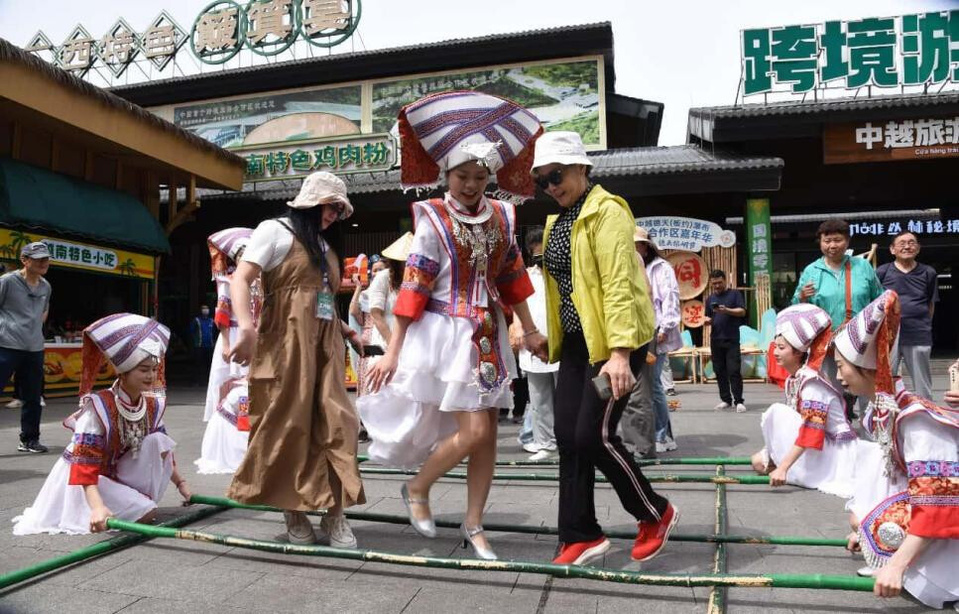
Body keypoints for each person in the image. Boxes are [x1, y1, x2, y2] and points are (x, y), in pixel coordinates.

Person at [360, 91, 546, 562]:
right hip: (446, 333)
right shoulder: (432, 217)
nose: (471, 185)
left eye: (480, 177)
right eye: (463, 176)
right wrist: (394, 350)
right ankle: (418, 487)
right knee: (475, 430)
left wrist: (529, 329)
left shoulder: (502, 215)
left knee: (487, 436)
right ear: (446, 174)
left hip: (488, 333)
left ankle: (474, 524)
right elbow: (414, 285)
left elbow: (512, 276)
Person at [535, 131, 678, 566]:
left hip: (615, 342)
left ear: (581, 167)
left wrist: (618, 353)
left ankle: (654, 512)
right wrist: (550, 336)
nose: (551, 186)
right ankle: (580, 534)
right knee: (567, 437)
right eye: (543, 180)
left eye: (557, 175)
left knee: (592, 436)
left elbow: (618, 283)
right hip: (577, 343)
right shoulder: (558, 221)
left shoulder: (607, 210)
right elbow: (565, 290)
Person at [228, 171, 366, 548]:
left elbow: (319, 298)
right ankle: (293, 510)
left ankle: (335, 513)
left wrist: (347, 330)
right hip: (284, 345)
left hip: (326, 346)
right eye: (329, 206)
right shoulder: (274, 231)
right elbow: (241, 279)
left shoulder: (324, 244)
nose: (334, 214)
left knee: (340, 422)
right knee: (288, 425)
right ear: (309, 202)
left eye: (339, 209)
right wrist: (245, 327)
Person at [13, 313, 191, 535]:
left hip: (112, 472)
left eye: (154, 369)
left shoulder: (151, 405)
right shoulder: (99, 406)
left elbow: (164, 450)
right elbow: (83, 461)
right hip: (84, 481)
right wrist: (97, 507)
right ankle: (109, 506)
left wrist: (181, 483)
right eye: (143, 370)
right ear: (122, 372)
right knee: (145, 512)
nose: (150, 376)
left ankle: (135, 500)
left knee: (156, 440)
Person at [834, 291, 957, 609]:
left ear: (867, 367)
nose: (837, 376)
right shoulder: (885, 410)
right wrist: (870, 527)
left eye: (841, 366)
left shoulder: (916, 421)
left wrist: (897, 564)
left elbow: (938, 503)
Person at [751, 304, 858, 497]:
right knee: (758, 461)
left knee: (776, 411)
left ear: (798, 352)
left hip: (834, 453)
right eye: (775, 347)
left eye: (781, 348)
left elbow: (811, 432)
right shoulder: (794, 379)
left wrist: (783, 467)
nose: (775, 353)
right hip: (818, 446)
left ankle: (793, 469)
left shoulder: (812, 385)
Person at [793, 219, 882, 417]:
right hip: (827, 343)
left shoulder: (863, 267)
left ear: (847, 241)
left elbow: (879, 300)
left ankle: (871, 431)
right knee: (832, 388)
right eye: (827, 241)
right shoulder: (811, 271)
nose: (832, 245)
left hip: (862, 340)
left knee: (867, 387)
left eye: (837, 240)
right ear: (820, 243)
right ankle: (838, 429)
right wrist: (802, 297)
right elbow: (796, 308)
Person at [195, 227, 258, 474]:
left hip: (251, 336)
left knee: (249, 386)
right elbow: (221, 315)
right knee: (227, 386)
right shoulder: (227, 281)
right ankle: (223, 439)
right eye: (243, 256)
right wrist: (226, 343)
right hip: (231, 334)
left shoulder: (260, 282)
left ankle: (247, 435)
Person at [0, 242, 52, 453]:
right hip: (6, 345)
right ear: (24, 260)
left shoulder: (46, 286)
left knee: (33, 397)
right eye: (39, 259)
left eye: (46, 259)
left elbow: (44, 310)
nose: (43, 262)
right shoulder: (7, 281)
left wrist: (35, 330)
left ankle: (29, 439)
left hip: (34, 349)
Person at [876, 231, 938, 401]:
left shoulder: (928, 272)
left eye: (911, 243)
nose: (907, 246)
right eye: (902, 243)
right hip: (888, 336)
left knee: (922, 383)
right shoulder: (882, 272)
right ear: (892, 249)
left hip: (918, 334)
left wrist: (924, 326)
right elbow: (874, 303)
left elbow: (930, 303)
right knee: (885, 382)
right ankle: (886, 416)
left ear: (918, 248)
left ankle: (926, 414)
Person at [515, 228, 559, 462]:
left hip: (560, 343)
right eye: (537, 255)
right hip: (532, 343)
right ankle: (545, 444)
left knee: (566, 398)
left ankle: (567, 443)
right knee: (539, 399)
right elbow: (516, 303)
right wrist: (516, 327)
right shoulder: (526, 275)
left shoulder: (564, 273)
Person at [637, 227, 681, 452]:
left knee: (653, 384)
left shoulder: (660, 267)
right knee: (644, 386)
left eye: (637, 245)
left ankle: (661, 435)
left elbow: (670, 298)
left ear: (646, 246)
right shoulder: (633, 265)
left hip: (656, 332)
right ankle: (662, 434)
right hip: (637, 333)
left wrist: (665, 328)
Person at [704, 270, 747, 413]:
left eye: (719, 283)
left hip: (732, 338)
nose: (717, 286)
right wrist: (707, 321)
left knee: (734, 370)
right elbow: (709, 317)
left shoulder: (734, 294)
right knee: (719, 370)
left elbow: (742, 311)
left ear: (725, 281)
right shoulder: (710, 299)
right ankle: (726, 399)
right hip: (716, 339)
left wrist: (727, 310)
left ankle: (739, 401)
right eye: (714, 284)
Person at [189, 304, 216, 387]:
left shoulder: (211, 321)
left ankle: (209, 381)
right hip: (199, 346)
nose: (205, 310)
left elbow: (214, 332)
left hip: (209, 346)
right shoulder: (196, 320)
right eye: (203, 308)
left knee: (209, 365)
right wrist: (194, 341)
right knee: (197, 364)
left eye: (206, 308)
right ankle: (196, 381)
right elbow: (191, 331)